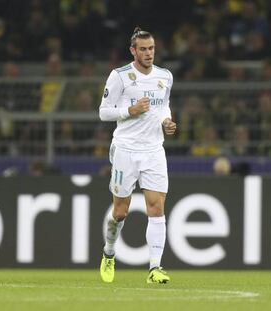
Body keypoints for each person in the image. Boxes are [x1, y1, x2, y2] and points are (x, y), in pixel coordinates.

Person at [98, 27, 176, 284]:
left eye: (151, 48)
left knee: (157, 207)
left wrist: (167, 121)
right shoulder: (120, 76)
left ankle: (155, 268)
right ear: (133, 51)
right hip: (126, 149)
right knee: (121, 212)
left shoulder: (165, 76)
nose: (148, 53)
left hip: (154, 149)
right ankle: (109, 252)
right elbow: (104, 112)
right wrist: (129, 110)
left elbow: (163, 105)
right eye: (143, 49)